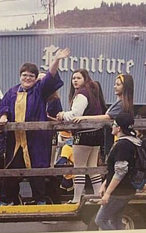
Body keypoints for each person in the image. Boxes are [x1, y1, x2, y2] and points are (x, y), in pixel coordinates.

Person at [0, 48, 70, 205]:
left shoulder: (39, 90)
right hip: (15, 140)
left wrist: (56, 60)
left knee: (36, 171)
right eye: (25, 75)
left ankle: (40, 200)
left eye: (31, 75)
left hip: (34, 140)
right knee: (11, 171)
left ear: (36, 78)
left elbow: (50, 77)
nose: (27, 78)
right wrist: (3, 115)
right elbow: (3, 107)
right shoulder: (12, 92)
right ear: (20, 76)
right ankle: (6, 200)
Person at [56, 69, 104, 203]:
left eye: (78, 78)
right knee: (92, 167)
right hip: (97, 132)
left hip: (84, 133)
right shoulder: (93, 93)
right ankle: (97, 196)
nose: (75, 81)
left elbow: (75, 114)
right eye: (73, 78)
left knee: (79, 167)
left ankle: (76, 199)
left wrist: (62, 115)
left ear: (85, 79)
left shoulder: (82, 94)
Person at [72, 74, 134, 160]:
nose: (115, 87)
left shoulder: (122, 104)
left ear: (125, 87)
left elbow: (106, 117)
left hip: (117, 138)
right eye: (115, 84)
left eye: (118, 84)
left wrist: (84, 118)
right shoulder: (119, 103)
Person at [95, 113, 138, 230]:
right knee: (115, 219)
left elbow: (120, 171)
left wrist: (108, 193)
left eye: (113, 124)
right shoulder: (132, 141)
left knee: (100, 220)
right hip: (127, 189)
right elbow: (113, 170)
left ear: (119, 128)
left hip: (119, 192)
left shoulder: (123, 145)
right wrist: (105, 184)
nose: (112, 126)